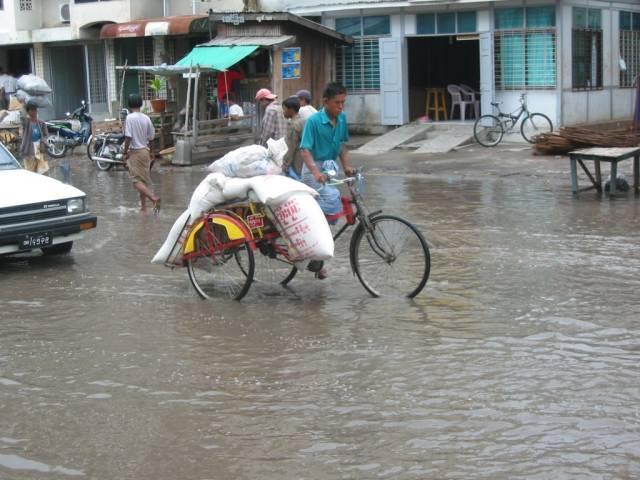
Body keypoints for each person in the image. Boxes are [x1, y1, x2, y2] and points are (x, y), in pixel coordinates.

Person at [299, 82, 356, 279]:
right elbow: (305, 149)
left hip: (330, 169)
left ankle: (316, 252)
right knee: (330, 202)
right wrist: (315, 171)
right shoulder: (313, 121)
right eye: (337, 103)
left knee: (331, 208)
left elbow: (341, 145)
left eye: (343, 103)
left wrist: (347, 166)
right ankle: (313, 250)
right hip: (313, 170)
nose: (341, 107)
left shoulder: (341, 119)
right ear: (325, 102)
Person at [122, 93, 161, 213]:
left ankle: (153, 198)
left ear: (129, 104)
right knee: (143, 181)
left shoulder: (129, 118)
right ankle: (143, 208)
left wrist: (125, 151)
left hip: (136, 153)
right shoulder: (146, 118)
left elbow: (128, 137)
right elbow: (151, 138)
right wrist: (152, 152)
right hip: (146, 151)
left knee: (136, 182)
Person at [19, 100, 49, 175]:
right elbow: (22, 116)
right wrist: (23, 105)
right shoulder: (26, 123)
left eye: (35, 109)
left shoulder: (41, 123)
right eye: (32, 110)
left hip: (39, 150)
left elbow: (46, 135)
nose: (34, 112)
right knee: (31, 173)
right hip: (29, 151)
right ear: (28, 111)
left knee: (43, 172)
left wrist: (43, 142)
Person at [281, 96, 305, 179]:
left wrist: (285, 164)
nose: (283, 112)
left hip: (297, 161)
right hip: (305, 161)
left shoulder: (293, 125)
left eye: (284, 109)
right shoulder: (304, 121)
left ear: (291, 110)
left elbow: (291, 147)